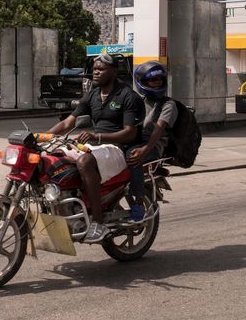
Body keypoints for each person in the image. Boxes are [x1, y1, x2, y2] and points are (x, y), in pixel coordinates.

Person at [46, 53, 144, 242]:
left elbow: (130, 133)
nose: (96, 72)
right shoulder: (92, 95)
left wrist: (98, 135)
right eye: (95, 69)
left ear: (114, 71)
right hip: (95, 146)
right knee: (54, 158)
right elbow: (68, 122)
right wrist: (42, 137)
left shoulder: (126, 95)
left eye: (101, 69)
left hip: (116, 148)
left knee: (84, 161)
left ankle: (98, 222)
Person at [126, 61, 178, 221]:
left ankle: (139, 202)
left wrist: (145, 149)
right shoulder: (138, 101)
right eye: (152, 81)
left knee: (131, 156)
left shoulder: (168, 104)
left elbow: (158, 129)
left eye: (159, 80)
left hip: (152, 147)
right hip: (134, 141)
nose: (157, 83)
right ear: (142, 83)